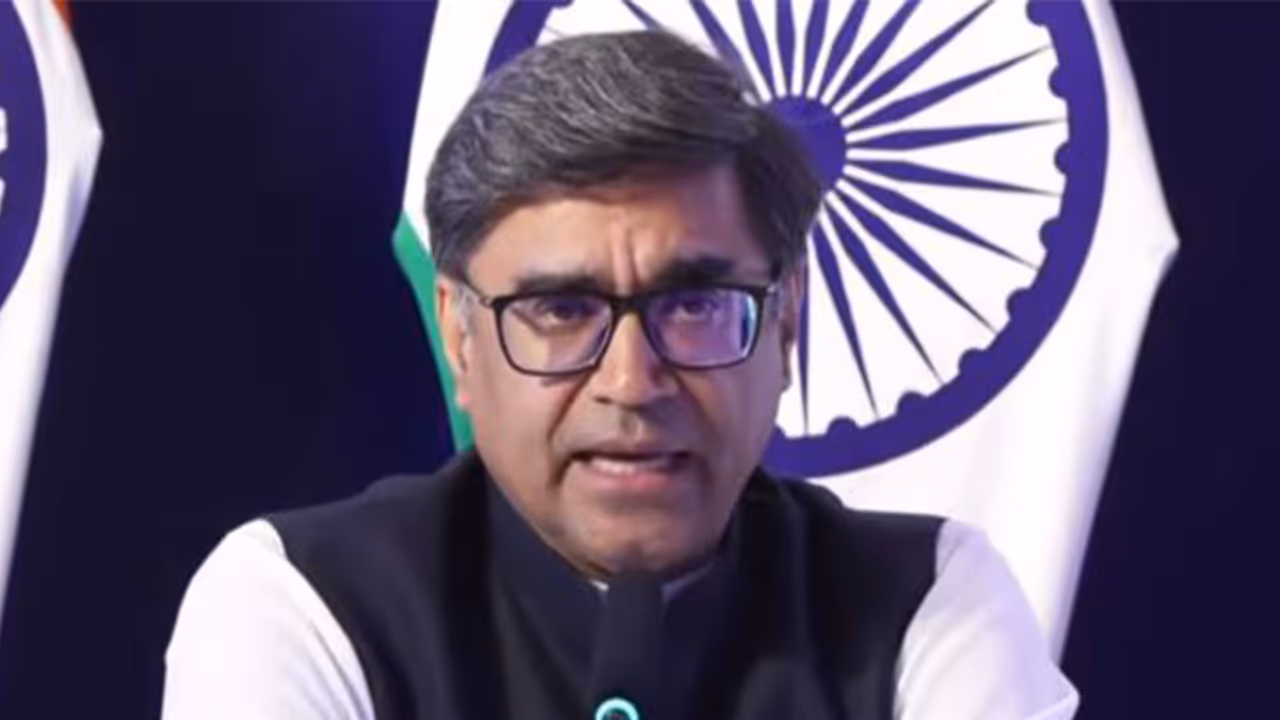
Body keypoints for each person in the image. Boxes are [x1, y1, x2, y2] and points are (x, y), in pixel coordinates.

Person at [161, 30, 1077, 720]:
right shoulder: (301, 602)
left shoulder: (930, 602)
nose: (633, 383)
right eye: (562, 310)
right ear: (460, 339)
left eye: (694, 304)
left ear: (787, 324)